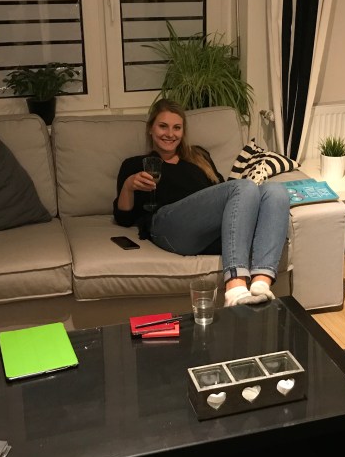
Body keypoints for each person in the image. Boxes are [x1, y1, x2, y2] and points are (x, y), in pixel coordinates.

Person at [113, 99, 290, 306]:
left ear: (183, 132)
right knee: (244, 187)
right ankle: (235, 287)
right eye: (163, 126)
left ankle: (261, 283)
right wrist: (128, 186)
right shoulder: (135, 164)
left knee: (275, 191)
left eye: (177, 128)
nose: (170, 134)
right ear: (150, 129)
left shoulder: (199, 156)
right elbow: (123, 218)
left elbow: (224, 194)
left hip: (209, 231)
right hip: (169, 225)